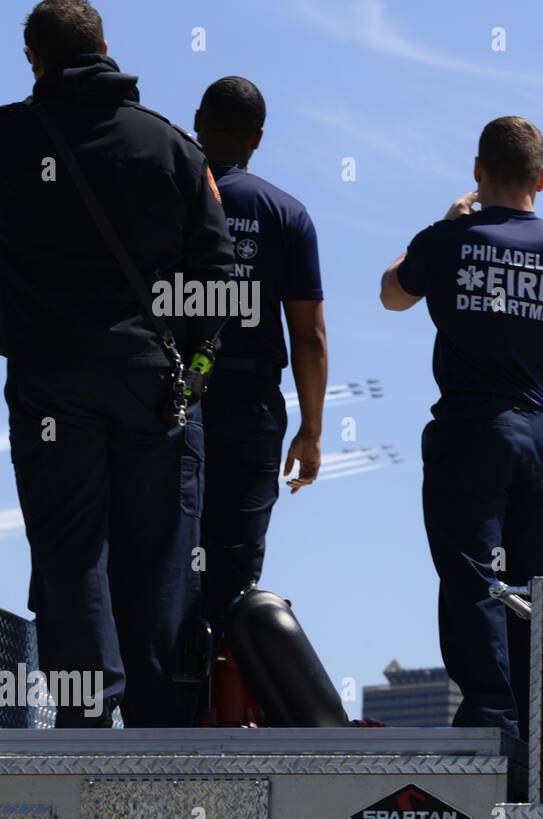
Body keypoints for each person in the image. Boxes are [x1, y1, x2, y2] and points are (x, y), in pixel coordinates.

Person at [0, 0, 233, 726]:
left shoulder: (9, 140)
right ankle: (162, 721)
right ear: (105, 46)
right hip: (152, 383)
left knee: (71, 559)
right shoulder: (170, 148)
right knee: (161, 561)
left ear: (34, 61)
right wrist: (191, 368)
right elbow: (219, 280)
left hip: (49, 379)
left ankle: (85, 722)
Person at [380, 116, 543, 742]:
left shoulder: (449, 240)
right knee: (532, 583)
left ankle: (490, 723)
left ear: (478, 171)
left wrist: (449, 226)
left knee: (475, 576)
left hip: (471, 427)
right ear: (542, 179)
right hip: (538, 433)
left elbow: (392, 293)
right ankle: (533, 720)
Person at [192, 76, 327, 631]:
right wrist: (312, 432)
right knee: (235, 562)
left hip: (165, 398)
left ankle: (154, 700)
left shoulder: (164, 197)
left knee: (159, 548)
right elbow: (310, 336)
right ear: (259, 138)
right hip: (249, 406)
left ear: (198, 124)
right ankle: (217, 692)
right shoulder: (285, 213)